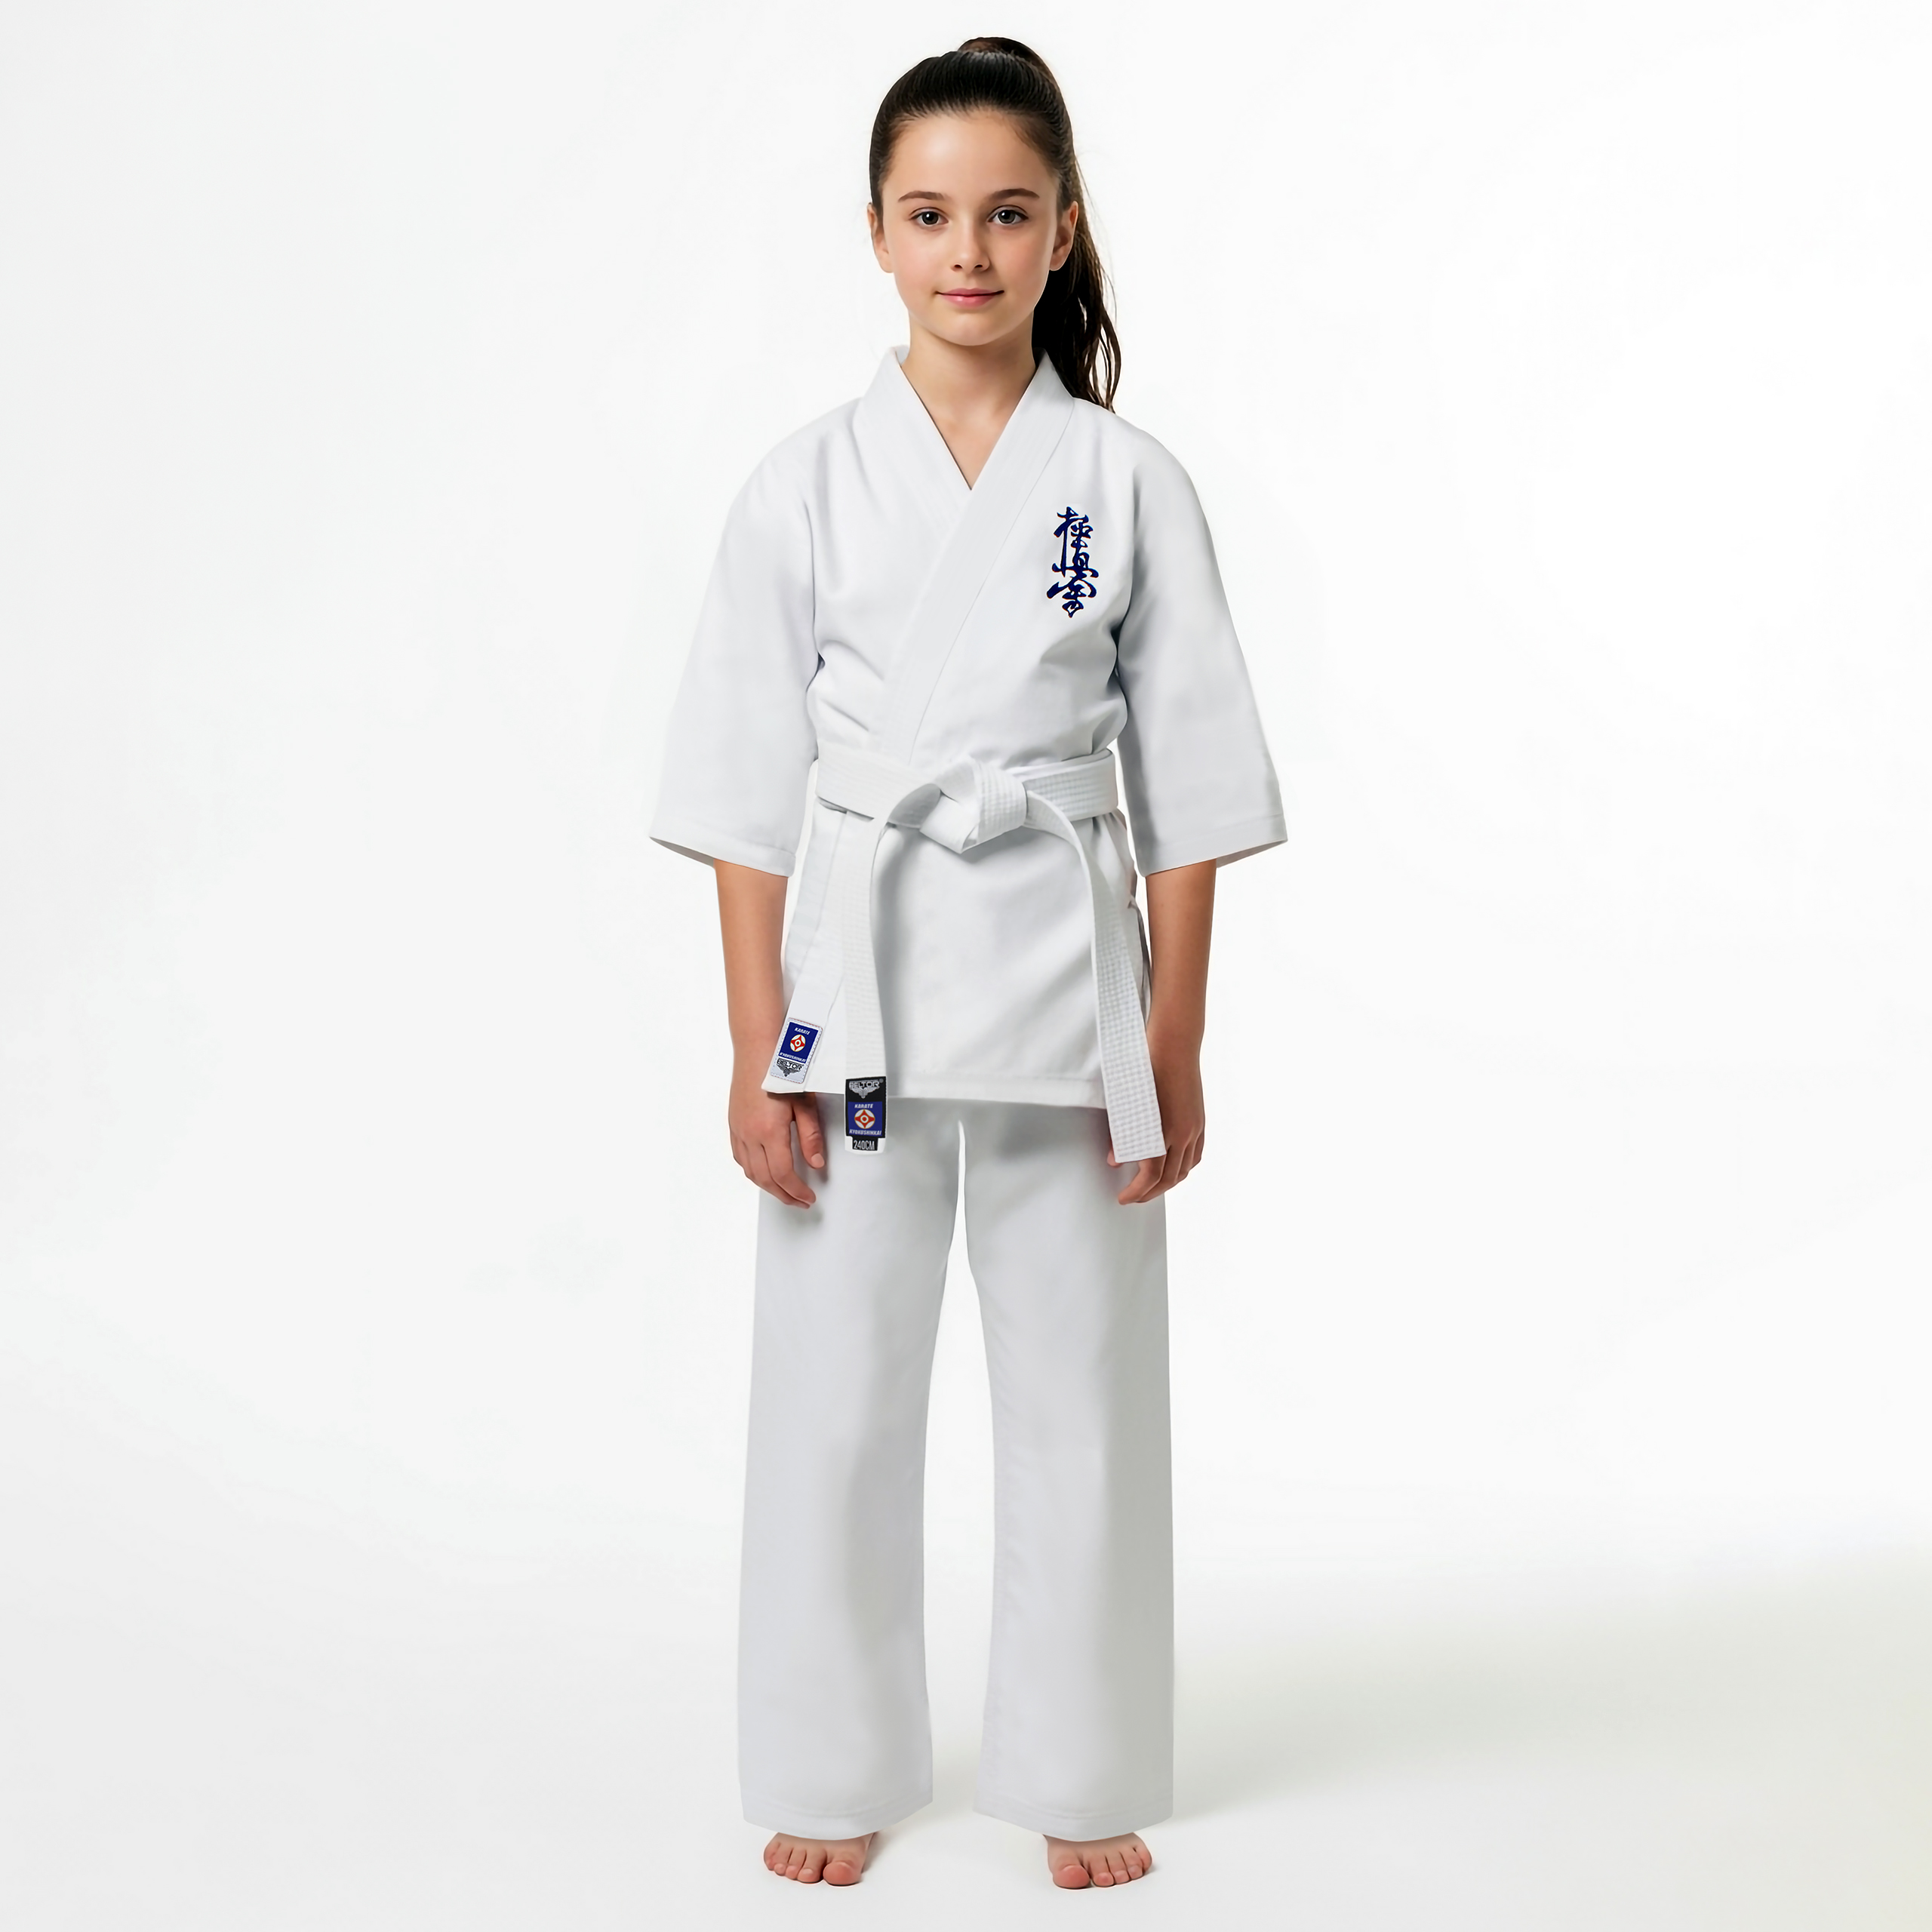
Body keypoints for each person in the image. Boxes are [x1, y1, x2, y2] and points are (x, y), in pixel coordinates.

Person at [651, 36, 1284, 1891]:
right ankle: (831, 1756)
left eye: (1006, 214)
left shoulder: (1123, 481)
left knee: (1082, 1392)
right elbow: (742, 787)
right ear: (873, 232)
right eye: (928, 216)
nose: (968, 253)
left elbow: (1190, 782)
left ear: (1061, 226)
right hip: (852, 994)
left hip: (1068, 997)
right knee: (832, 1398)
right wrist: (755, 1040)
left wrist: (1173, 1030)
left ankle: (1078, 1761)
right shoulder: (802, 485)